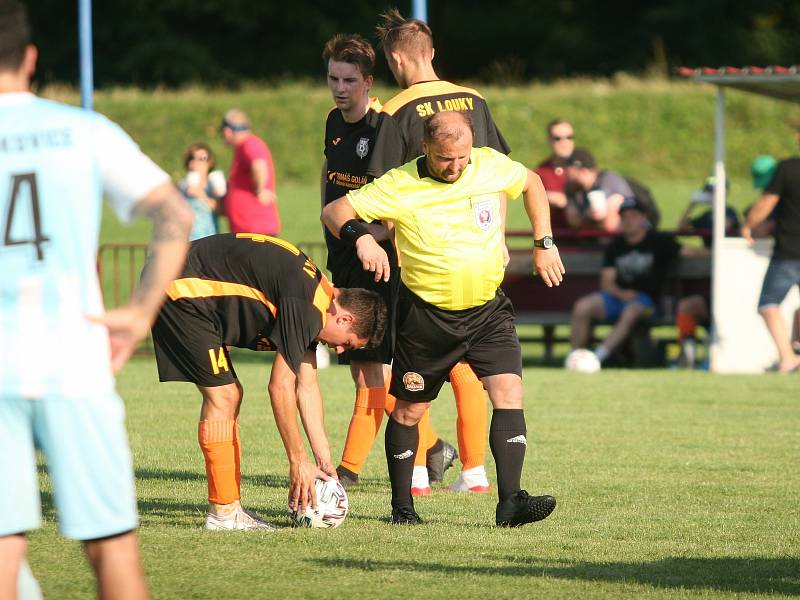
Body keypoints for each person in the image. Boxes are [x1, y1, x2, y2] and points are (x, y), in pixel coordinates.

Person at [0, 1, 193, 598]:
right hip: (74, 359)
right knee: (112, 551)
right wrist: (139, 312)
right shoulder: (85, 131)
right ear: (31, 58)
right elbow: (174, 213)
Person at [322, 110, 563, 526]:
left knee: (508, 394)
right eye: (445, 158)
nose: (456, 167)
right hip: (428, 318)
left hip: (488, 311)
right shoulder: (401, 183)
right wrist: (362, 238)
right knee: (410, 413)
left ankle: (510, 503)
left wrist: (544, 242)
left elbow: (533, 183)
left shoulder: (488, 164)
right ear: (426, 148)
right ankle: (403, 510)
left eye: (462, 157)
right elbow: (335, 211)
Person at [365, 7, 510, 495]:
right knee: (474, 364)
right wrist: (501, 241)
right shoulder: (474, 99)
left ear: (395, 58)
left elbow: (383, 191)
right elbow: (499, 176)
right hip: (483, 253)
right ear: (432, 54)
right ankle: (474, 473)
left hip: (425, 263)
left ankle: (419, 477)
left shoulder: (395, 109)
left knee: (417, 370)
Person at [149, 233, 387, 529]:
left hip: (179, 279)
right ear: (345, 320)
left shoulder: (318, 297)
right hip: (179, 286)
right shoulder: (307, 304)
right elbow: (280, 386)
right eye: (347, 344)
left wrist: (323, 459)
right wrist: (297, 461)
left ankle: (229, 509)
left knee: (229, 395)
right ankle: (224, 514)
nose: (340, 351)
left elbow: (307, 385)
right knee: (225, 396)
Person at [320, 34, 406, 489]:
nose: (339, 87)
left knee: (370, 363)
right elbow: (330, 182)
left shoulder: (383, 128)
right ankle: (434, 448)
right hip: (345, 253)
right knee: (360, 363)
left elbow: (392, 204)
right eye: (333, 77)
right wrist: (335, 230)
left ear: (368, 81)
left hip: (377, 260)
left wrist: (374, 237)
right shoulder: (333, 120)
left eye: (349, 80)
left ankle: (348, 469)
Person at [569, 197, 681, 370]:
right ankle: (576, 358)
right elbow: (607, 283)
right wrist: (623, 294)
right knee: (583, 306)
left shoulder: (660, 241)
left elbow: (686, 250)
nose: (628, 221)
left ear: (643, 218)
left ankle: (598, 358)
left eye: (633, 216)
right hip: (617, 297)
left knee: (632, 310)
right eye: (625, 217)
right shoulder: (616, 245)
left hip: (648, 302)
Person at [742, 137, 800, 374]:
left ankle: (787, 358)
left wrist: (748, 225)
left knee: (768, 303)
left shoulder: (787, 168)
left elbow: (767, 201)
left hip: (790, 250)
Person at [673, 176, 740, 368]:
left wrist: (705, 252)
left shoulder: (729, 212)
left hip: (729, 284)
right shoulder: (705, 216)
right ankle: (687, 354)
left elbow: (726, 229)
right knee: (686, 306)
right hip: (710, 283)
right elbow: (681, 229)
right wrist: (692, 204)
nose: (712, 196)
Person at [220, 109, 280, 235]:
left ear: (228, 131)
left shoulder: (250, 144)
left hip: (255, 229)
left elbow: (258, 165)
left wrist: (260, 189)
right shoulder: (243, 147)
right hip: (249, 229)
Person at [564, 148, 634, 232]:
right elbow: (574, 221)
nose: (566, 173)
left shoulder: (608, 180)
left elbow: (631, 206)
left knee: (613, 203)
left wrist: (606, 210)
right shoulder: (573, 189)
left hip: (622, 235)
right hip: (591, 238)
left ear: (583, 171)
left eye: (569, 170)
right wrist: (587, 214)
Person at [178, 142, 226, 240]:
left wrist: (201, 195)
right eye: (192, 157)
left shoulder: (214, 184)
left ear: (209, 162)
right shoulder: (182, 185)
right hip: (185, 239)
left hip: (208, 237)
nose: (197, 162)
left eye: (202, 158)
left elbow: (221, 210)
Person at [534, 118, 575, 229]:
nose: (564, 142)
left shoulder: (583, 168)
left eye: (569, 137)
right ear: (549, 140)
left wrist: (568, 202)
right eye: (558, 138)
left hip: (587, 236)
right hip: (556, 237)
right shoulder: (541, 172)